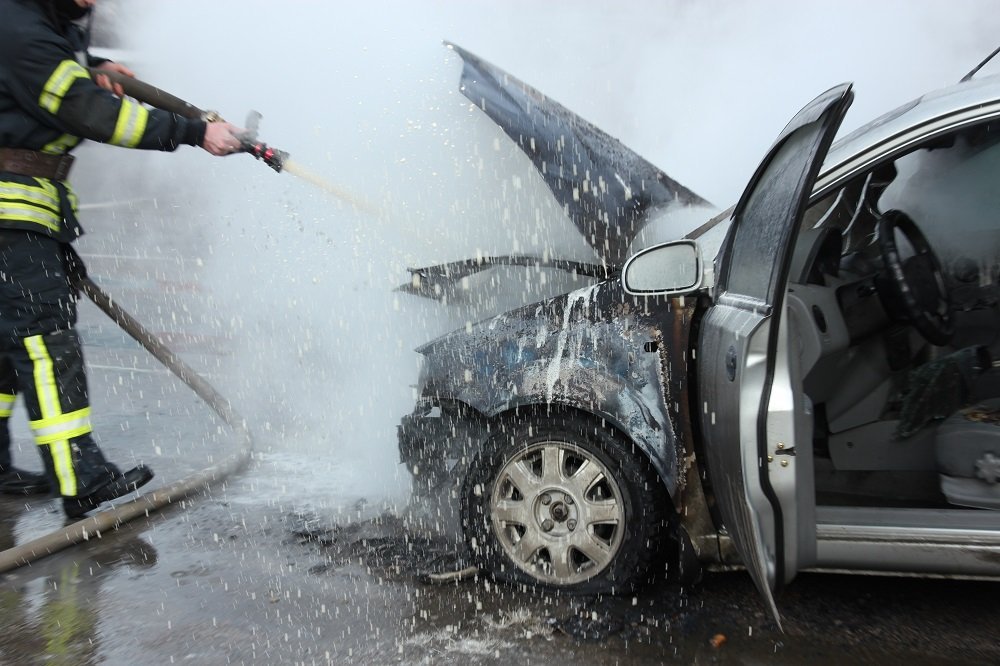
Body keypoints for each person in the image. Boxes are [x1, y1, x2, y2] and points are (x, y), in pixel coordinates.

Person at [0, 0, 245, 518]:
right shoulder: (22, 31)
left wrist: (92, 68)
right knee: (46, 342)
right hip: (11, 220)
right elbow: (88, 111)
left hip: (19, 216)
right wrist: (194, 132)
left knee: (6, 343)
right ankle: (81, 478)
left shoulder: (31, 23)